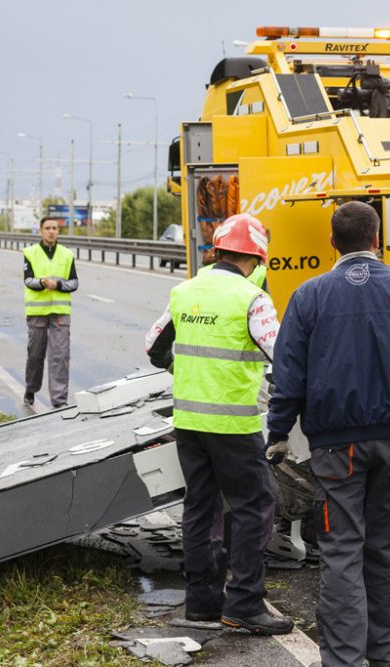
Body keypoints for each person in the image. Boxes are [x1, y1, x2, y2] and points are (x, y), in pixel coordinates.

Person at [266, 201, 390, 667]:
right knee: (387, 553)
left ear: (332, 242)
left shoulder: (308, 296)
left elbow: (288, 373)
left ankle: (344, 661)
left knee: (342, 552)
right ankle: (382, 657)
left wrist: (279, 430)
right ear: (377, 239)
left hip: (336, 448)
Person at [145, 213, 293, 636]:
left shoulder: (184, 291)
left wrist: (186, 369)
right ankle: (245, 603)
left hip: (189, 423)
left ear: (218, 250)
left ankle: (201, 605)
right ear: (257, 258)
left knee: (199, 508)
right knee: (254, 507)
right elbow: (282, 355)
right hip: (234, 425)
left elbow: (153, 346)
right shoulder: (251, 298)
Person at [22, 217, 78, 408]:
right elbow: (27, 280)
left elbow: (74, 282)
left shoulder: (67, 254)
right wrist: (41, 283)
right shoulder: (30, 253)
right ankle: (31, 389)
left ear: (58, 231)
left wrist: (58, 284)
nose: (51, 231)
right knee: (35, 355)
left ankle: (59, 402)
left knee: (60, 356)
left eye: (54, 228)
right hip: (37, 313)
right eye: (47, 228)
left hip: (60, 313)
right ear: (40, 231)